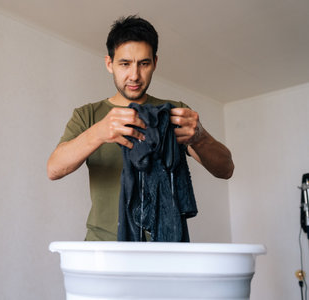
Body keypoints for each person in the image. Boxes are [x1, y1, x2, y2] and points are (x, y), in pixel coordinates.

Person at [47, 15, 234, 241]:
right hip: (104, 248)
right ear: (109, 64)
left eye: (143, 64)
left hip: (166, 247)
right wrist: (98, 132)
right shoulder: (87, 115)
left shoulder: (174, 112)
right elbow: (54, 169)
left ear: (155, 63)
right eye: (124, 64)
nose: (134, 75)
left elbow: (226, 170)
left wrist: (200, 138)